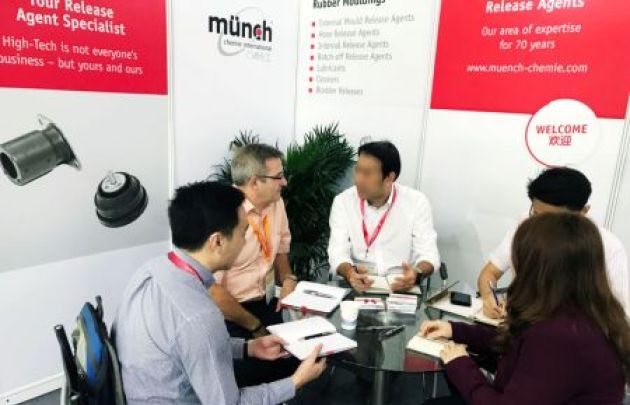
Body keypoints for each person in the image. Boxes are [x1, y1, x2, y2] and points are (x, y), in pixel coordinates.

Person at [113, 181, 326, 404]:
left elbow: (187, 346)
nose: (244, 242)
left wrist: (248, 348)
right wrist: (295, 381)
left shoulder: (149, 270)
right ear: (217, 241)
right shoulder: (200, 316)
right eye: (243, 233)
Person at [420, 213, 630, 404]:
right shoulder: (584, 309)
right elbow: (514, 342)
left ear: (537, 268)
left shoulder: (560, 336)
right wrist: (455, 330)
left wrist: (460, 364)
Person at [478, 167, 629, 318]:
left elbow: (621, 315)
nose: (541, 226)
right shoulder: (525, 224)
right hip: (519, 321)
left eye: (552, 221)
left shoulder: (608, 247)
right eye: (535, 214)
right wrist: (489, 298)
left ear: (583, 212)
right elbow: (489, 273)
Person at [209, 143, 300, 386]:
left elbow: (281, 250)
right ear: (254, 182)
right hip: (231, 314)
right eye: (278, 177)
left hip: (266, 302)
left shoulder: (277, 204)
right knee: (256, 376)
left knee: (293, 361)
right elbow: (212, 290)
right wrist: (255, 326)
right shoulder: (222, 215)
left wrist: (288, 279)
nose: (284, 182)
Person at [328, 140, 440, 292]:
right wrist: (349, 273)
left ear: (389, 178)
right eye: (358, 170)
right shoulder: (343, 202)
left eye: (367, 173)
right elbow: (337, 252)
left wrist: (416, 274)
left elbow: (429, 255)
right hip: (356, 285)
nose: (358, 179)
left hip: (399, 286)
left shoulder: (416, 202)